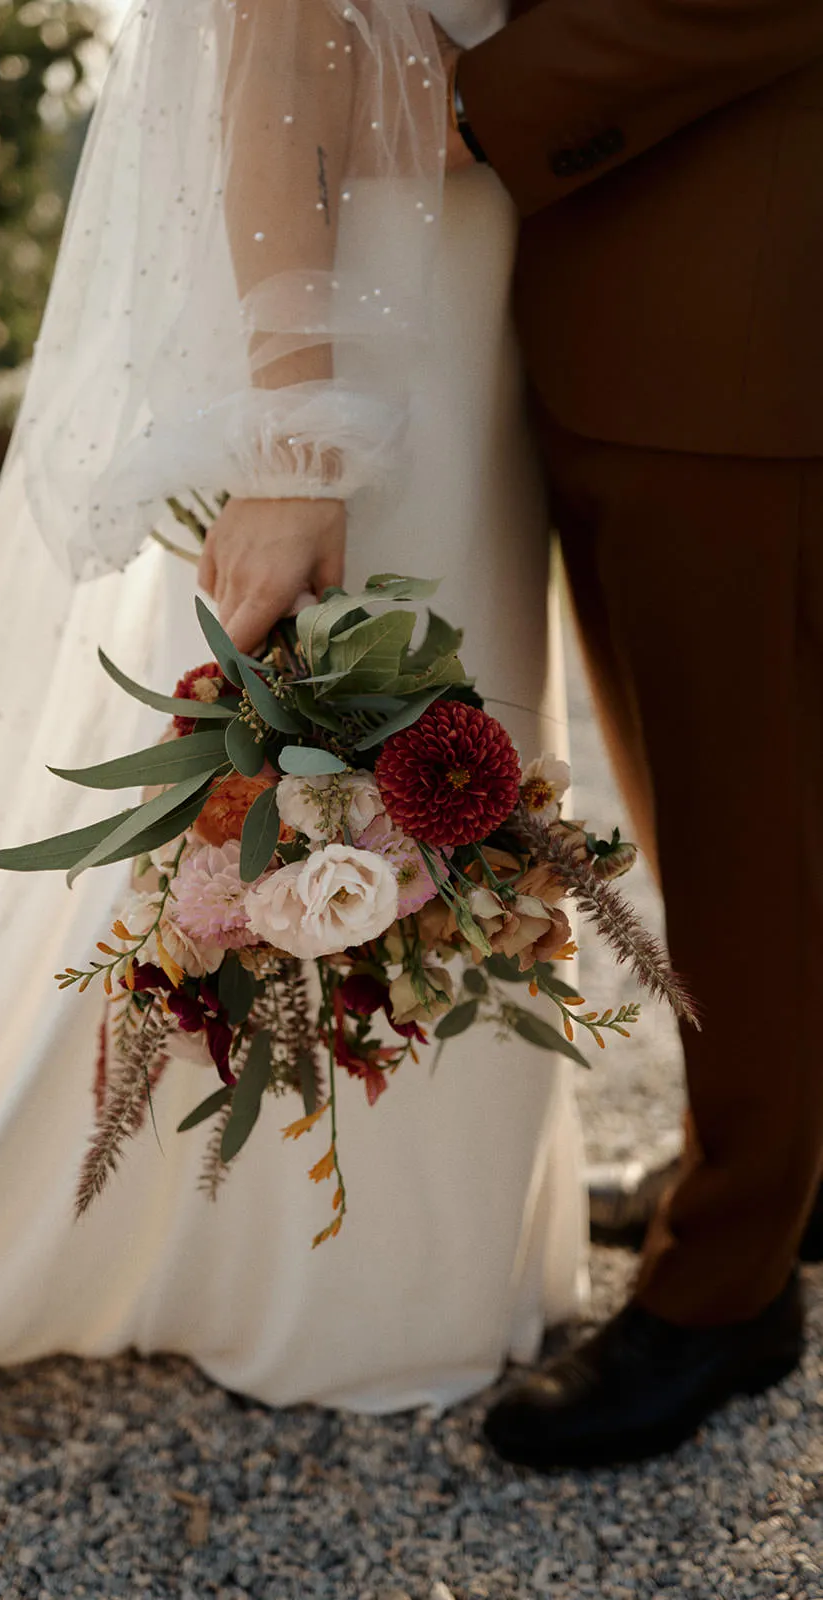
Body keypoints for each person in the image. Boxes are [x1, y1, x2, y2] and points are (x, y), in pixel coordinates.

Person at [0, 0, 589, 1432]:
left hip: (466, 327)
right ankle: (317, 1277)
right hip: (369, 358)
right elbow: (262, 108)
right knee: (346, 778)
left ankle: (448, 1251)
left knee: (459, 773)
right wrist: (293, 453)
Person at [433, 2, 823, 1468]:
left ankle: (723, 1288)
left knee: (745, 842)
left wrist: (490, 103)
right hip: (631, 312)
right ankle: (784, 1161)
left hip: (739, 327)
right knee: (718, 815)